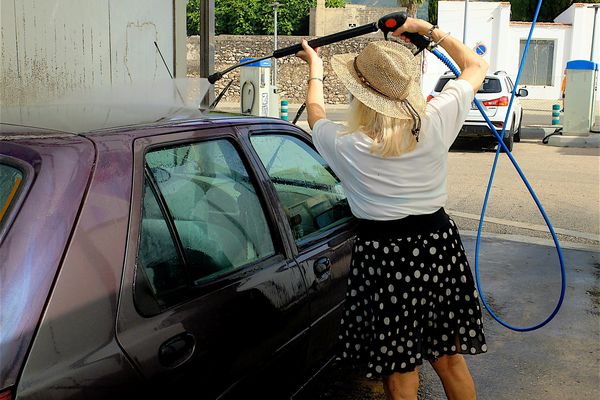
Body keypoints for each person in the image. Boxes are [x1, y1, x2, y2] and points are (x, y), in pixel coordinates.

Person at [296, 16, 489, 400]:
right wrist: (426, 28)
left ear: (360, 95)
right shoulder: (435, 121)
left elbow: (314, 113)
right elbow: (476, 66)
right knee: (449, 359)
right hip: (437, 250)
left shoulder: (346, 144)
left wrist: (315, 69)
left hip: (384, 259)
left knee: (400, 371)